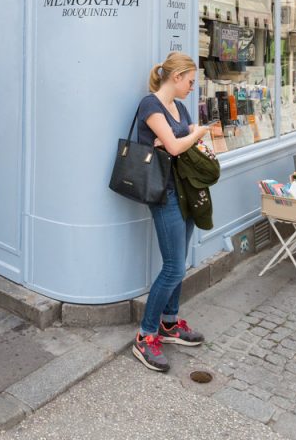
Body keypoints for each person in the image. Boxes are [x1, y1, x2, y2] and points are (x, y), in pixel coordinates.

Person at [131, 52, 211, 373]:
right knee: (174, 267)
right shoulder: (150, 105)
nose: (193, 87)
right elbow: (177, 147)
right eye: (190, 81)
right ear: (176, 77)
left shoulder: (180, 107)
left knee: (180, 262)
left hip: (185, 192)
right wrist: (198, 134)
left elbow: (179, 144)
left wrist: (189, 139)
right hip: (163, 194)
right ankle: (145, 335)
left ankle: (168, 323)